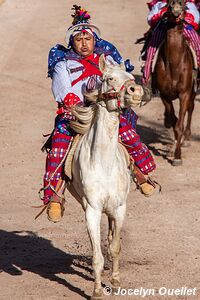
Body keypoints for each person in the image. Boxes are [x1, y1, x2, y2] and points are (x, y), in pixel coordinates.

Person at [40, 5, 157, 223]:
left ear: (95, 42)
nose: (84, 44)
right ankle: (54, 194)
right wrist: (74, 103)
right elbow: (62, 89)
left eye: (88, 39)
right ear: (72, 42)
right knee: (59, 144)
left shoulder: (107, 62)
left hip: (105, 110)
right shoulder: (63, 64)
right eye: (79, 40)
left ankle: (141, 174)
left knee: (127, 133)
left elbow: (122, 78)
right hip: (76, 113)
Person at [139, 0, 200, 88]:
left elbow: (196, 18)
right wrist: (161, 16)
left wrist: (185, 17)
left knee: (196, 40)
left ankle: (198, 68)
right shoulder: (160, 5)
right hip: (164, 28)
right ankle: (146, 80)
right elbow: (150, 18)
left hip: (184, 28)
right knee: (152, 47)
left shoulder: (189, 4)